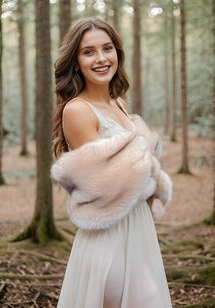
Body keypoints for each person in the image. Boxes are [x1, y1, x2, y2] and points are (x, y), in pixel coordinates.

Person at [51, 17, 172, 308]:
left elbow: (132, 170)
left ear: (118, 52)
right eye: (88, 51)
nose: (101, 58)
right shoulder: (78, 110)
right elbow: (102, 186)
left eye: (107, 48)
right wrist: (149, 164)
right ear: (76, 61)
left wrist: (143, 164)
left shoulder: (119, 103)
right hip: (108, 235)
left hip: (138, 229)